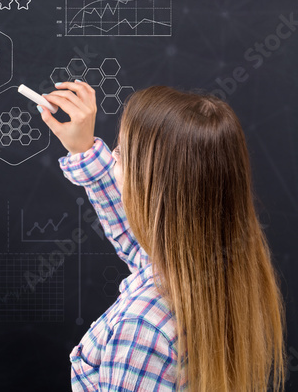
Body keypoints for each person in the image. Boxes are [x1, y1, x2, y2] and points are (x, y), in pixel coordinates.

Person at [37, 81, 286, 392]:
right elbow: (139, 240)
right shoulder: (222, 279)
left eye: (122, 153)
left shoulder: (142, 329)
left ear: (154, 191)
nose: (114, 158)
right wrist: (84, 150)